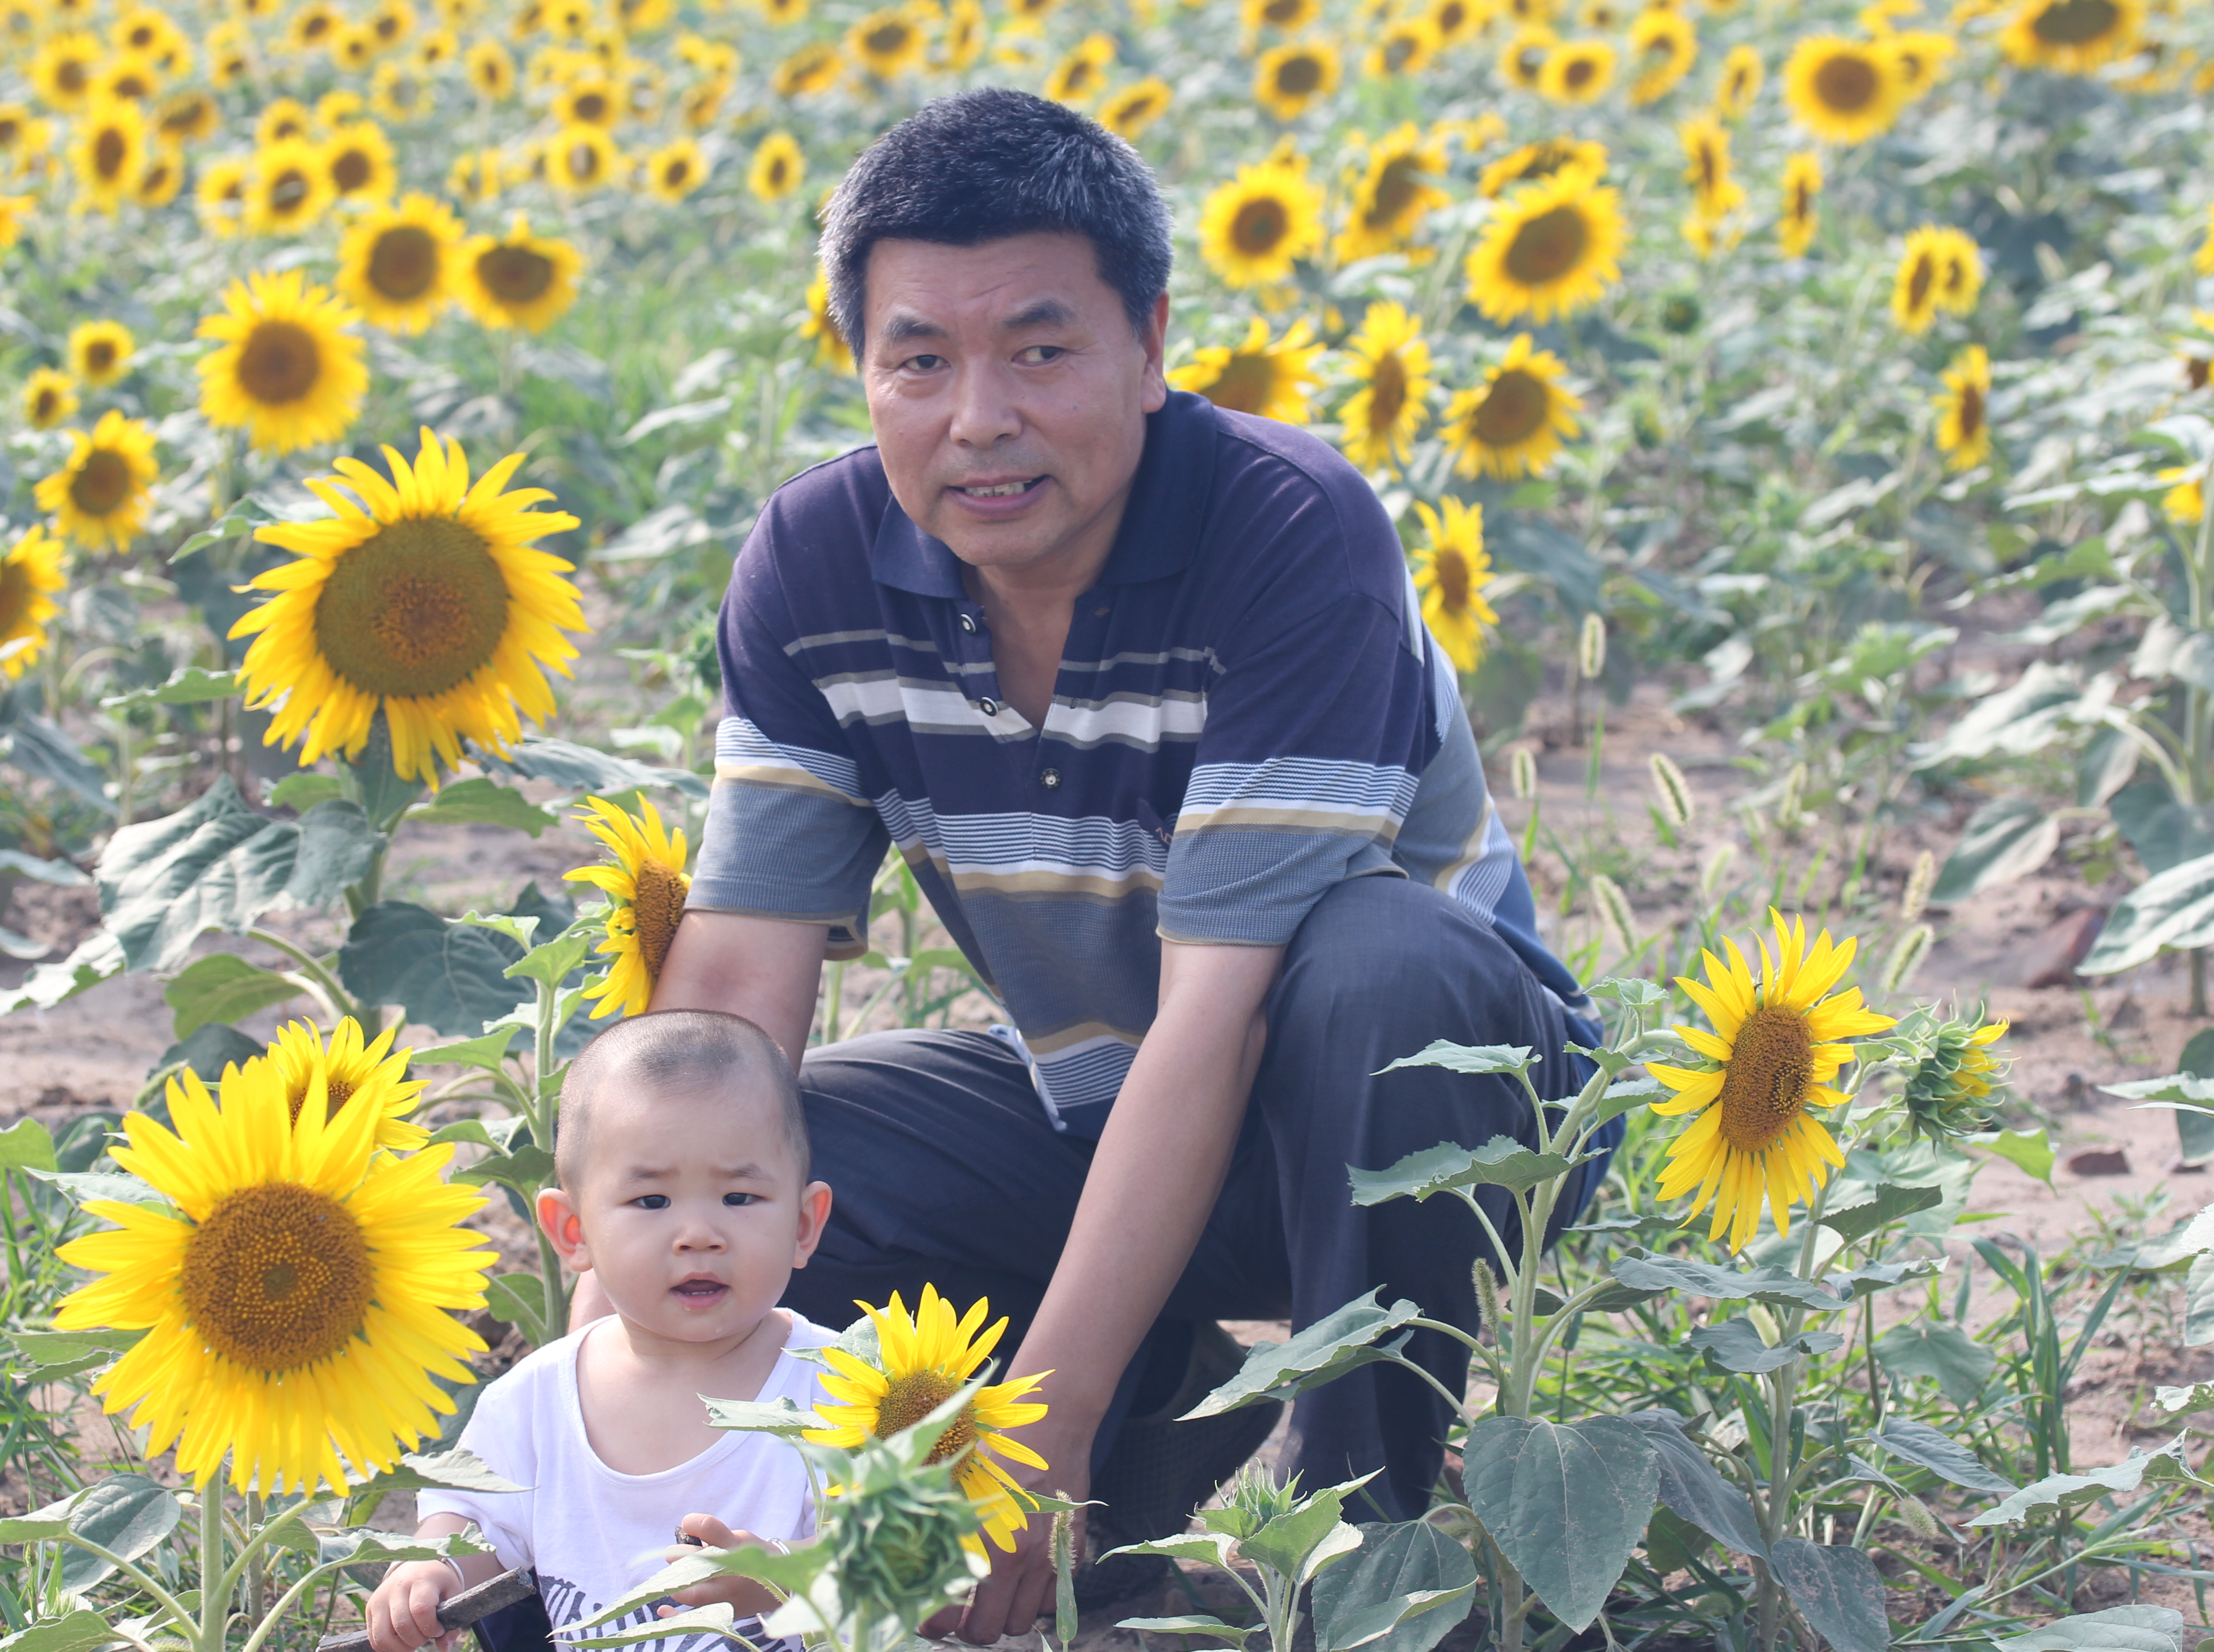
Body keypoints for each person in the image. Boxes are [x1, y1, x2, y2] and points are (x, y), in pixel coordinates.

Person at [581, 86, 1620, 1641]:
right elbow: (728, 995)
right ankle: (987, 1495)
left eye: (1039, 350)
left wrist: (1040, 1416)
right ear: (860, 365)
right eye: (919, 359)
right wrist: (595, 1399)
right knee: (769, 1155)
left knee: (1381, 963)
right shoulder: (814, 567)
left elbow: (1224, 1015)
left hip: (1434, 1127)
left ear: (1149, 346)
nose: (977, 417)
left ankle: (1355, 1560)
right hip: (1112, 1111)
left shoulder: (1287, 531)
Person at [367, 1010, 839, 1652]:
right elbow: (476, 1523)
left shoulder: (843, 1389)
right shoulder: (535, 1401)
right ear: (574, 1232)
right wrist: (431, 1572)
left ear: (804, 1225)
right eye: (651, 1202)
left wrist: (783, 1573)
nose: (699, 1234)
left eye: (739, 1198)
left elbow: (905, 1558)